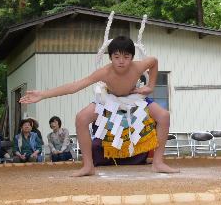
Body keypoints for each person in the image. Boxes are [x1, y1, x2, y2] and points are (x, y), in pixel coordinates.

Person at [20, 35, 178, 176]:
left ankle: (158, 162)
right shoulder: (104, 72)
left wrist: (150, 86)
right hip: (108, 99)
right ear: (110, 57)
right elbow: (75, 86)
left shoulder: (139, 66)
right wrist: (42, 94)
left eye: (126, 57)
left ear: (132, 57)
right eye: (116, 57)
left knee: (164, 116)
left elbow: (154, 62)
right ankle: (88, 166)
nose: (121, 61)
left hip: (134, 98)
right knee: (81, 118)